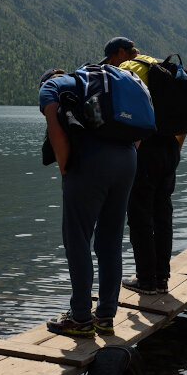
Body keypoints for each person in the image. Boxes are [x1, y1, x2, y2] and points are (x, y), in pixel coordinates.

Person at [40, 64, 137, 338]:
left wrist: (68, 172)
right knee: (110, 241)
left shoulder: (50, 88)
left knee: (77, 238)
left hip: (91, 162)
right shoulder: (95, 86)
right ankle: (105, 316)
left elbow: (56, 132)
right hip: (127, 159)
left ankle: (81, 317)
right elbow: (135, 134)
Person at [101, 37, 186, 296]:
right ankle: (161, 279)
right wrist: (174, 149)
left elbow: (120, 116)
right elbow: (183, 117)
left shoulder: (127, 70)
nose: (111, 65)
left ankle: (146, 280)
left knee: (139, 217)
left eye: (111, 59)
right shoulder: (163, 67)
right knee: (163, 215)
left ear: (119, 53)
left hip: (145, 151)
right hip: (170, 149)